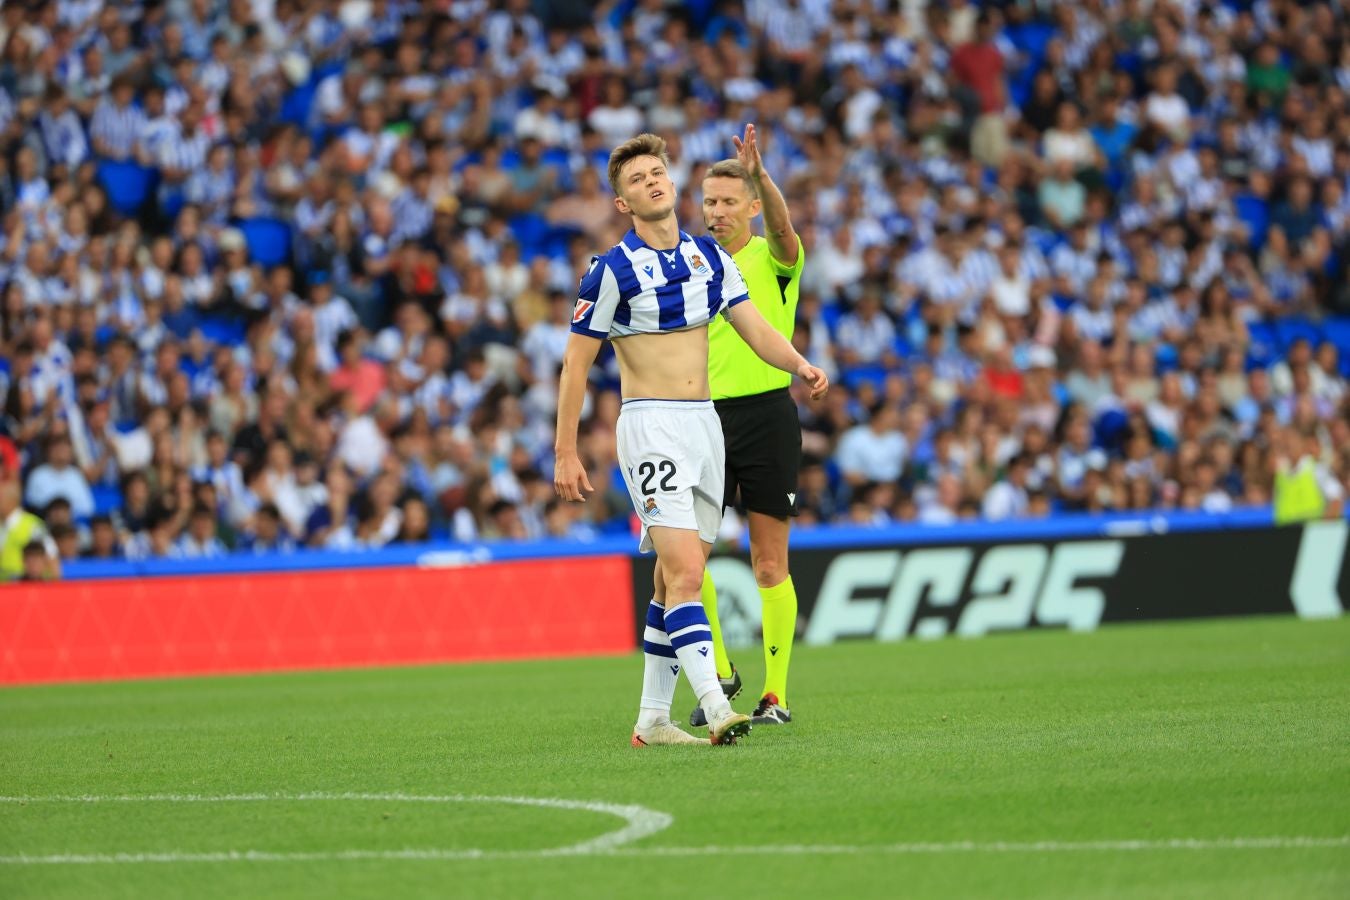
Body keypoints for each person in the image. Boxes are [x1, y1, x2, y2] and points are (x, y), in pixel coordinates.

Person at [553, 133, 828, 748]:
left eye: (657, 172)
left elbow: (755, 327)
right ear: (622, 203)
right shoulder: (610, 271)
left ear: (672, 184)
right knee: (682, 573)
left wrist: (801, 365)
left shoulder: (710, 259)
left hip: (707, 426)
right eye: (635, 180)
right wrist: (565, 450)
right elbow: (575, 364)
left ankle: (652, 720)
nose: (651, 182)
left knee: (674, 578)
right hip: (651, 425)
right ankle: (716, 702)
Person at [682, 124, 804, 730]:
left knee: (767, 564)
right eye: (710, 201)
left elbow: (784, 230)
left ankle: (775, 695)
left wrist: (761, 173)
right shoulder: (685, 263)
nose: (718, 211)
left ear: (753, 206)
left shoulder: (774, 258)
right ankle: (723, 672)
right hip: (703, 417)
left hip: (767, 415)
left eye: (730, 201)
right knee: (689, 559)